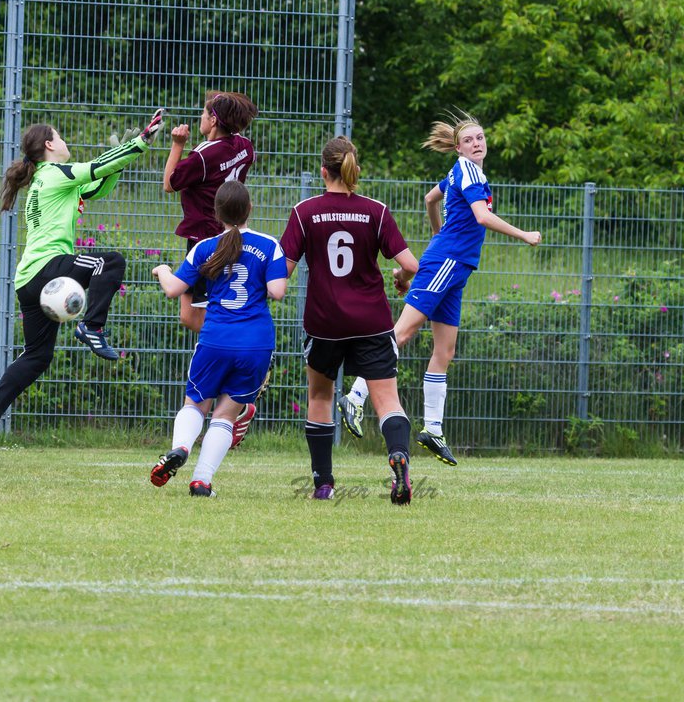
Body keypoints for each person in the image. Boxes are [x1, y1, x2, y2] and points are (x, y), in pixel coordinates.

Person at [337, 112, 542, 466]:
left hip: (455, 267)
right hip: (447, 262)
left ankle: (433, 428)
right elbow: (481, 216)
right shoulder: (468, 170)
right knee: (403, 332)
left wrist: (436, 234)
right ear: (459, 148)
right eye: (470, 140)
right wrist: (524, 234)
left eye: (480, 138)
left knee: (444, 351)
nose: (477, 143)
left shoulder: (461, 172)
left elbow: (430, 199)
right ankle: (355, 396)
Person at [0, 109, 165, 454]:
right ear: (49, 145)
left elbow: (96, 186)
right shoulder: (56, 173)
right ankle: (92, 326)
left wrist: (117, 160)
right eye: (59, 136)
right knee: (111, 262)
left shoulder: (48, 180)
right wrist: (142, 141)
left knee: (37, 355)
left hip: (28, 281)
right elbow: (96, 169)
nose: (64, 141)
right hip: (49, 268)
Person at [280, 137, 421, 504]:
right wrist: (402, 281)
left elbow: (284, 272)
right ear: (353, 169)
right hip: (371, 321)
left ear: (323, 171)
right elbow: (410, 266)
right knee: (387, 400)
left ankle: (324, 485)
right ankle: (399, 458)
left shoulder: (304, 211)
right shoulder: (375, 211)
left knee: (320, 396)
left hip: (324, 322)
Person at [148, 181, 286, 496]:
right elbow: (277, 291)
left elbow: (173, 289)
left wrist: (162, 269)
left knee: (195, 404)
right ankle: (201, 481)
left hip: (215, 338)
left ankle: (180, 448)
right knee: (226, 414)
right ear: (250, 208)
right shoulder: (268, 245)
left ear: (216, 213)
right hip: (255, 342)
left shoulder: (205, 247)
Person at [161, 91, 257, 333]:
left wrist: (177, 144)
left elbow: (169, 184)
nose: (200, 118)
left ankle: (227, 348)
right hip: (231, 233)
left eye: (204, 113)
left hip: (204, 239)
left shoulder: (203, 155)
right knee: (220, 305)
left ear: (213, 120)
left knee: (191, 316)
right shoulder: (245, 147)